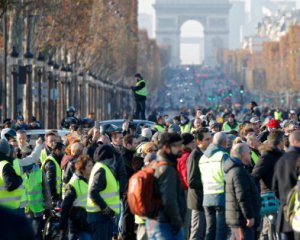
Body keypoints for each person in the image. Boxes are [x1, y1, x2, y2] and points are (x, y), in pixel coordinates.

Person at [146, 132, 186, 240]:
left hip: (154, 222)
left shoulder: (156, 163)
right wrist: (177, 223)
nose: (181, 148)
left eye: (181, 145)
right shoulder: (167, 169)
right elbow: (169, 200)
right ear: (166, 148)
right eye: (176, 146)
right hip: (165, 224)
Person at [252, 130, 284, 239]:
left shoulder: (280, 155)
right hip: (270, 196)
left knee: (276, 228)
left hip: (281, 196)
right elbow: (254, 176)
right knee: (272, 228)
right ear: (281, 142)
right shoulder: (267, 157)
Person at [224, 143, 261, 239]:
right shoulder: (238, 172)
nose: (250, 156)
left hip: (238, 218)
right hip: (241, 220)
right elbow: (243, 196)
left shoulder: (236, 169)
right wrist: (249, 216)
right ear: (243, 154)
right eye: (249, 153)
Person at [199, 132, 229, 240]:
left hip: (206, 196)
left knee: (210, 230)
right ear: (225, 143)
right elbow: (228, 177)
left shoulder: (203, 158)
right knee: (221, 231)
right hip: (221, 196)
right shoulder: (223, 156)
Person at [87, 145, 120, 240]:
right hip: (100, 216)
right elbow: (93, 192)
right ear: (108, 157)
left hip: (102, 215)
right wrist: (105, 208)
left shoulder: (102, 168)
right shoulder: (101, 170)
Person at [273, 130, 300, 240]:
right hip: (297, 214)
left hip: (284, 215)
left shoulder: (280, 160)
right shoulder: (298, 159)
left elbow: (275, 187)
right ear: (297, 142)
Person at [60, 155, 94, 240]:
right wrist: (63, 227)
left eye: (92, 165)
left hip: (88, 222)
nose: (92, 167)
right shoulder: (74, 183)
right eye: (89, 166)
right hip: (78, 224)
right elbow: (65, 206)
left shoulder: (91, 179)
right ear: (82, 169)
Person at [187, 129, 212, 240]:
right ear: (199, 141)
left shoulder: (207, 154)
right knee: (197, 233)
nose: (210, 141)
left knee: (205, 233)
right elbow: (191, 181)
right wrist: (209, 181)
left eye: (210, 138)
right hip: (198, 201)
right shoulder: (194, 156)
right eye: (207, 139)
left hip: (207, 200)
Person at [0, 139, 23, 210]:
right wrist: (19, 179)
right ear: (7, 152)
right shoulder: (5, 165)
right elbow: (10, 185)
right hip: (10, 208)